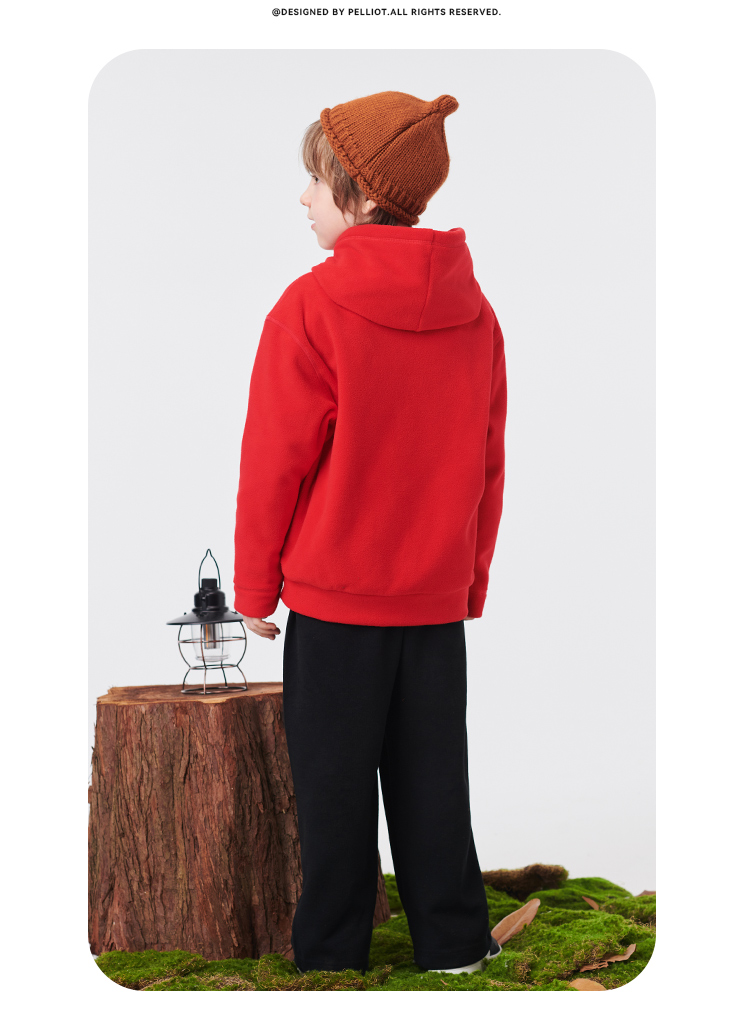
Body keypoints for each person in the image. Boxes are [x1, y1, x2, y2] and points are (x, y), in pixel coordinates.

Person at [233, 90, 507, 976]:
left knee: (334, 794)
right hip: (431, 608)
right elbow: (487, 464)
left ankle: (330, 958)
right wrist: (467, 580)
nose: (303, 197)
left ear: (359, 193)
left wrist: (254, 586)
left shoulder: (309, 309)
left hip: (336, 610)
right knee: (435, 786)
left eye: (315, 181)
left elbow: (272, 463)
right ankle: (454, 946)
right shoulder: (476, 313)